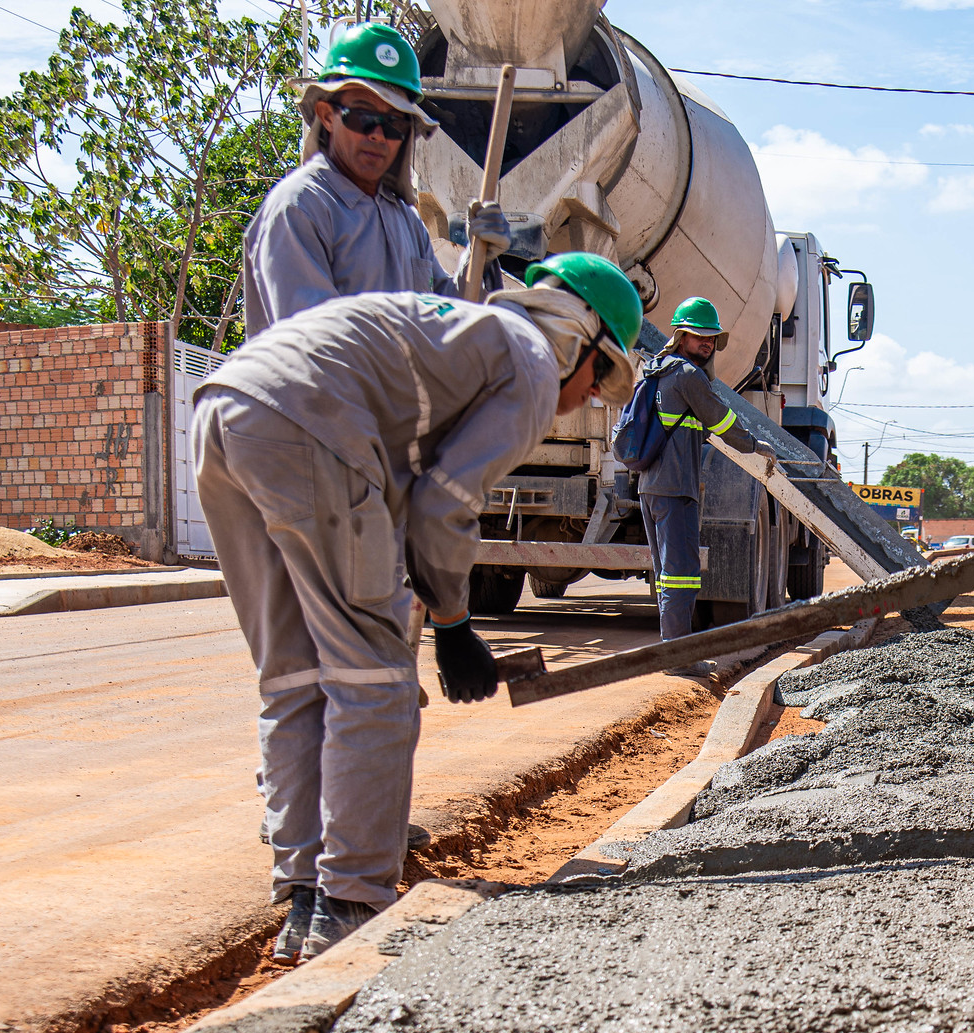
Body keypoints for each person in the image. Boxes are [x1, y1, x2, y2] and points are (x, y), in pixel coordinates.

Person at [193, 254, 641, 963]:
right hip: (307, 423)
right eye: (599, 375)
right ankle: (351, 906)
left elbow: (404, 494)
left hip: (227, 407)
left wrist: (421, 592)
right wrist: (456, 623)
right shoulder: (528, 366)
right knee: (373, 681)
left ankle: (304, 895)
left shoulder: (470, 336)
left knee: (290, 673)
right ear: (580, 340)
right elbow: (444, 503)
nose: (589, 395)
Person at [241, 21, 510, 336]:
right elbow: (315, 347)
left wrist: (479, 258)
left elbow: (449, 318)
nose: (379, 136)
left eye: (394, 123)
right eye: (364, 118)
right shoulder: (300, 208)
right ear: (327, 116)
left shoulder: (405, 222)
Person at [619, 296, 772, 641]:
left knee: (667, 574)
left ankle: (673, 648)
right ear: (680, 336)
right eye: (698, 335)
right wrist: (754, 445)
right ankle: (677, 655)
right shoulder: (688, 375)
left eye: (711, 337)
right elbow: (722, 419)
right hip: (675, 487)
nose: (706, 342)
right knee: (682, 574)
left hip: (651, 485)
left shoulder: (659, 368)